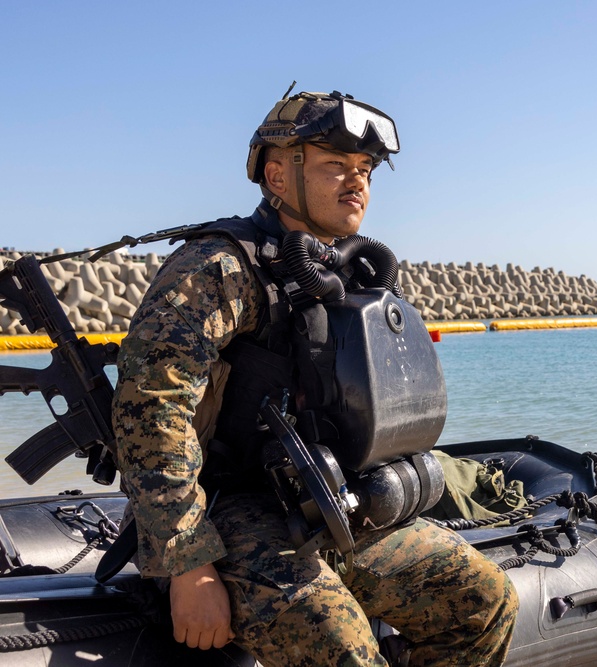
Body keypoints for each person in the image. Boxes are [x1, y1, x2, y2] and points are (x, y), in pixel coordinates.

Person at [111, 89, 518, 666]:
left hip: (322, 499)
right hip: (225, 507)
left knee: (483, 600)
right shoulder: (219, 268)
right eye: (335, 167)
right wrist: (188, 566)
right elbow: (152, 412)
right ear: (277, 176)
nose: (357, 184)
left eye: (365, 171)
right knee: (341, 644)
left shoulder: (343, 271)